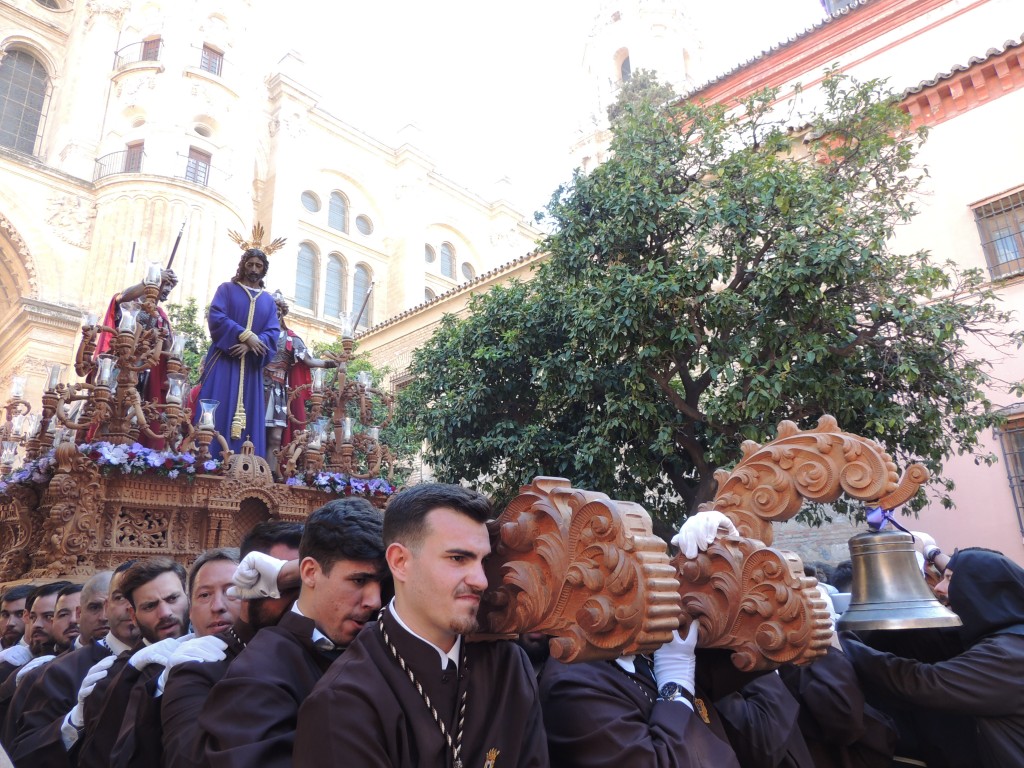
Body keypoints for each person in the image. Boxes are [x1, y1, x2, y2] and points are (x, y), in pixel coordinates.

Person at [294, 483, 549, 768]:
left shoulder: (509, 667)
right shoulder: (343, 702)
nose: (480, 580)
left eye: (483, 560)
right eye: (458, 558)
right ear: (400, 561)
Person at [199, 499, 384, 768]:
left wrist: (284, 573)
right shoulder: (257, 676)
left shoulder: (380, 640)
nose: (375, 601)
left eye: (382, 582)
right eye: (358, 580)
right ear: (309, 572)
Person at [843, 547, 1024, 767]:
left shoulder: (1006, 656)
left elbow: (922, 681)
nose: (939, 587)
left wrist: (844, 645)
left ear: (980, 588)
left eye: (949, 579)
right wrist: (929, 552)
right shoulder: (1012, 641)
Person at [161, 522, 302, 768]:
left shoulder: (330, 651)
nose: (218, 606)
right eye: (283, 586)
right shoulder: (195, 668)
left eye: (304, 584)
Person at [109, 548, 241, 768]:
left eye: (232, 591)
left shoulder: (281, 657)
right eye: (205, 595)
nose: (217, 605)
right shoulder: (139, 673)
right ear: (192, 606)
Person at [10, 566, 137, 768]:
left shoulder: (180, 659)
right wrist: (74, 721)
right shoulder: (56, 673)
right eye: (119, 599)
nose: (103, 618)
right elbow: (21, 755)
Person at [75, 558, 190, 768]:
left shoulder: (225, 652)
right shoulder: (109, 679)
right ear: (133, 616)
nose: (165, 613)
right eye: (150, 606)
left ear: (188, 597)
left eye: (172, 598)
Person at [195, 247, 280, 459]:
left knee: (250, 415)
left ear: (264, 270)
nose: (253, 269)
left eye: (258, 266)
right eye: (250, 264)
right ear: (243, 265)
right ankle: (208, 458)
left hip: (250, 367)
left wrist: (252, 345)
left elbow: (273, 331)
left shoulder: (268, 301)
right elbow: (216, 316)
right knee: (217, 406)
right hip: (224, 360)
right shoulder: (226, 289)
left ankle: (246, 467)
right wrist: (244, 335)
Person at [93, 268, 179, 449]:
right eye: (165, 285)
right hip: (120, 365)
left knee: (138, 413)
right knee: (110, 408)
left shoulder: (161, 315)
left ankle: (132, 448)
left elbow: (169, 349)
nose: (166, 291)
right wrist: (149, 280)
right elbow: (121, 298)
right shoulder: (131, 303)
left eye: (170, 288)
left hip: (144, 371)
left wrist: (163, 337)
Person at [264, 291, 337, 477]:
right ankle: (252, 470)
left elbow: (310, 361)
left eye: (278, 309)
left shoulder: (291, 338)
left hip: (278, 391)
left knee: (275, 436)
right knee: (252, 431)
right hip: (256, 389)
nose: (275, 312)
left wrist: (333, 363)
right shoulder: (258, 334)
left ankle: (271, 474)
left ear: (282, 312)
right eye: (271, 309)